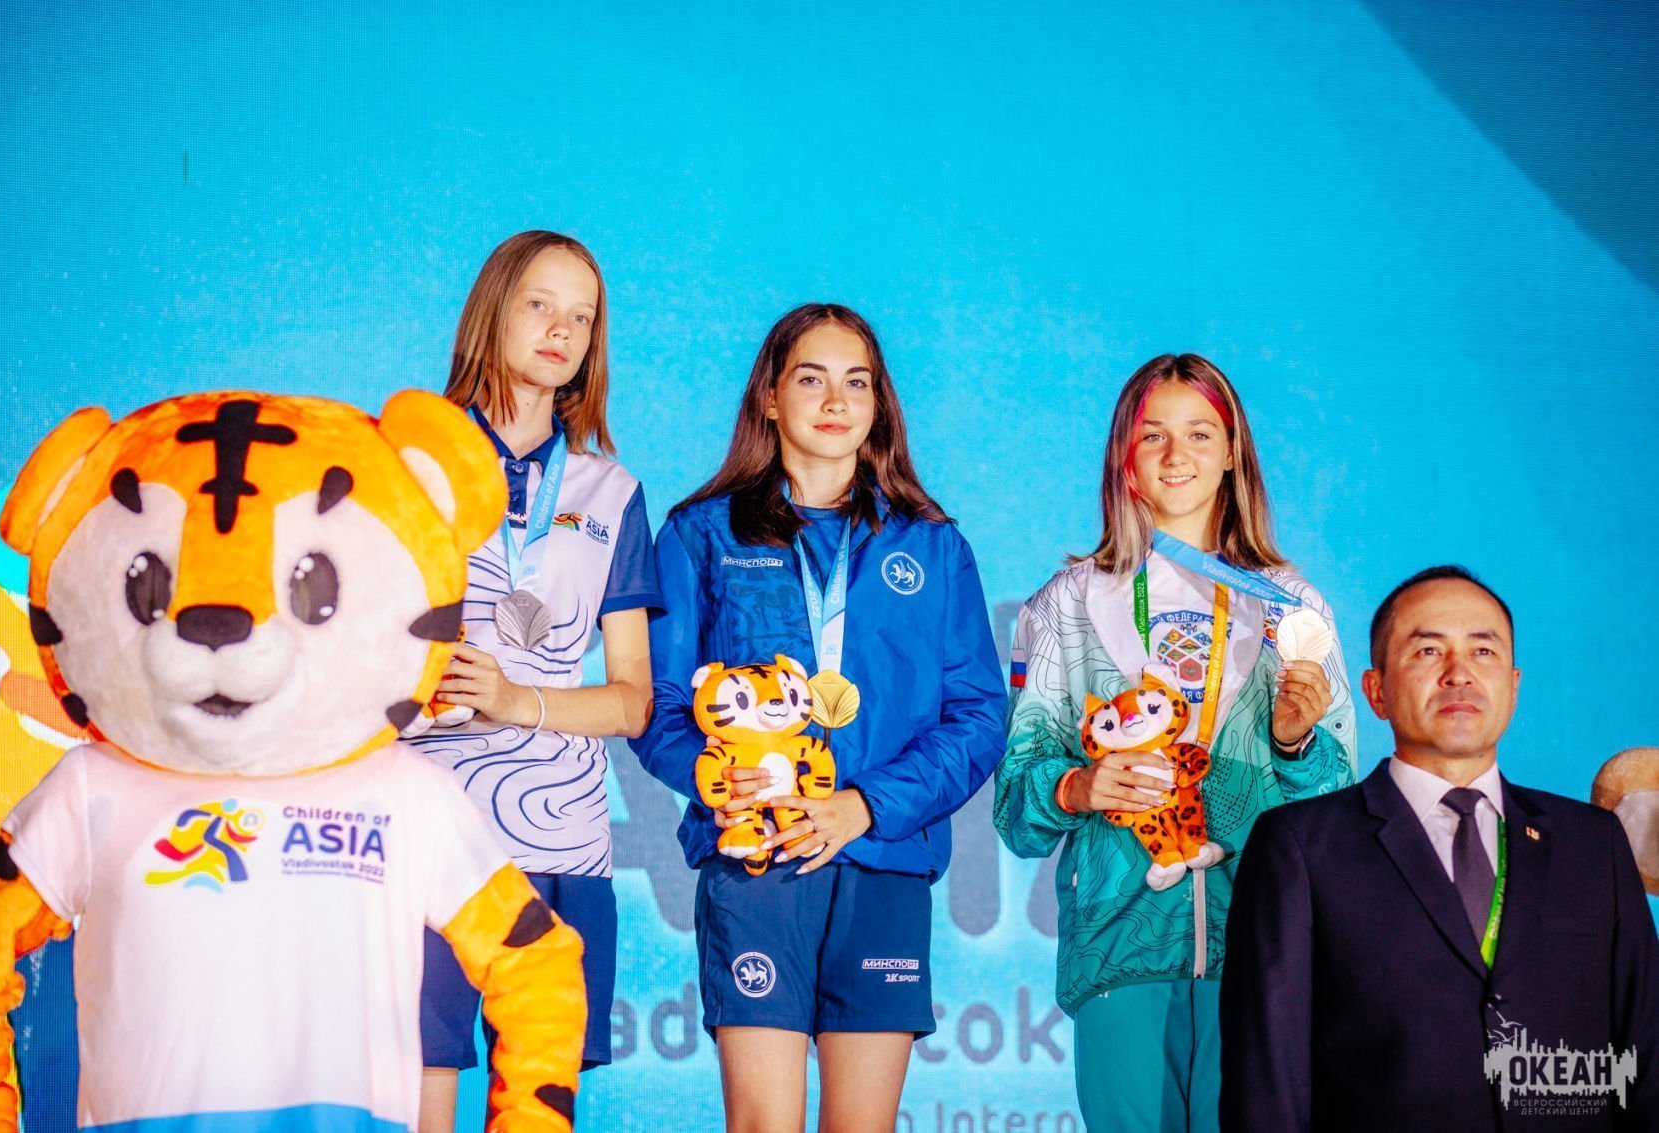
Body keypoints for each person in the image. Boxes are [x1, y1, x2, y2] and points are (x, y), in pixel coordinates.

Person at [632, 303, 1006, 1132]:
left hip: (882, 860)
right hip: (755, 863)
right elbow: (656, 705)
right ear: (770, 396)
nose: (836, 400)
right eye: (811, 378)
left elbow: (979, 715)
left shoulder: (933, 546)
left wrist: (863, 805)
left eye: (856, 382)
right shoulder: (701, 534)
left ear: (879, 403)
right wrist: (712, 776)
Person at [994, 353, 1356, 1131]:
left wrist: (1294, 746)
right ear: (1123, 456)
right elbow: (1016, 808)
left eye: (1199, 432)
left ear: (1232, 452)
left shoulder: (1293, 608)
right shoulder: (1066, 604)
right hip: (1118, 946)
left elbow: (1342, 818)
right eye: (1152, 433)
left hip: (1260, 949)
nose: (1175, 453)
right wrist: (1076, 787)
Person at [1222, 566, 1659, 1131]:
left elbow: (1646, 1052)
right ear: (1376, 691)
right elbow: (1268, 1079)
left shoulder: (1593, 844)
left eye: (1484, 651)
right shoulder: (1301, 846)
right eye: (1428, 651)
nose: (1459, 674)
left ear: (1514, 686)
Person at [408, 230, 661, 1130]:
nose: (561, 330)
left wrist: (518, 701)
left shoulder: (611, 492)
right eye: (540, 304)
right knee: (421, 1079)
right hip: (431, 829)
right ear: (493, 311)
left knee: (538, 1104)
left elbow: (634, 700)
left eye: (582, 317)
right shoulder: (411, 468)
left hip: (564, 840)